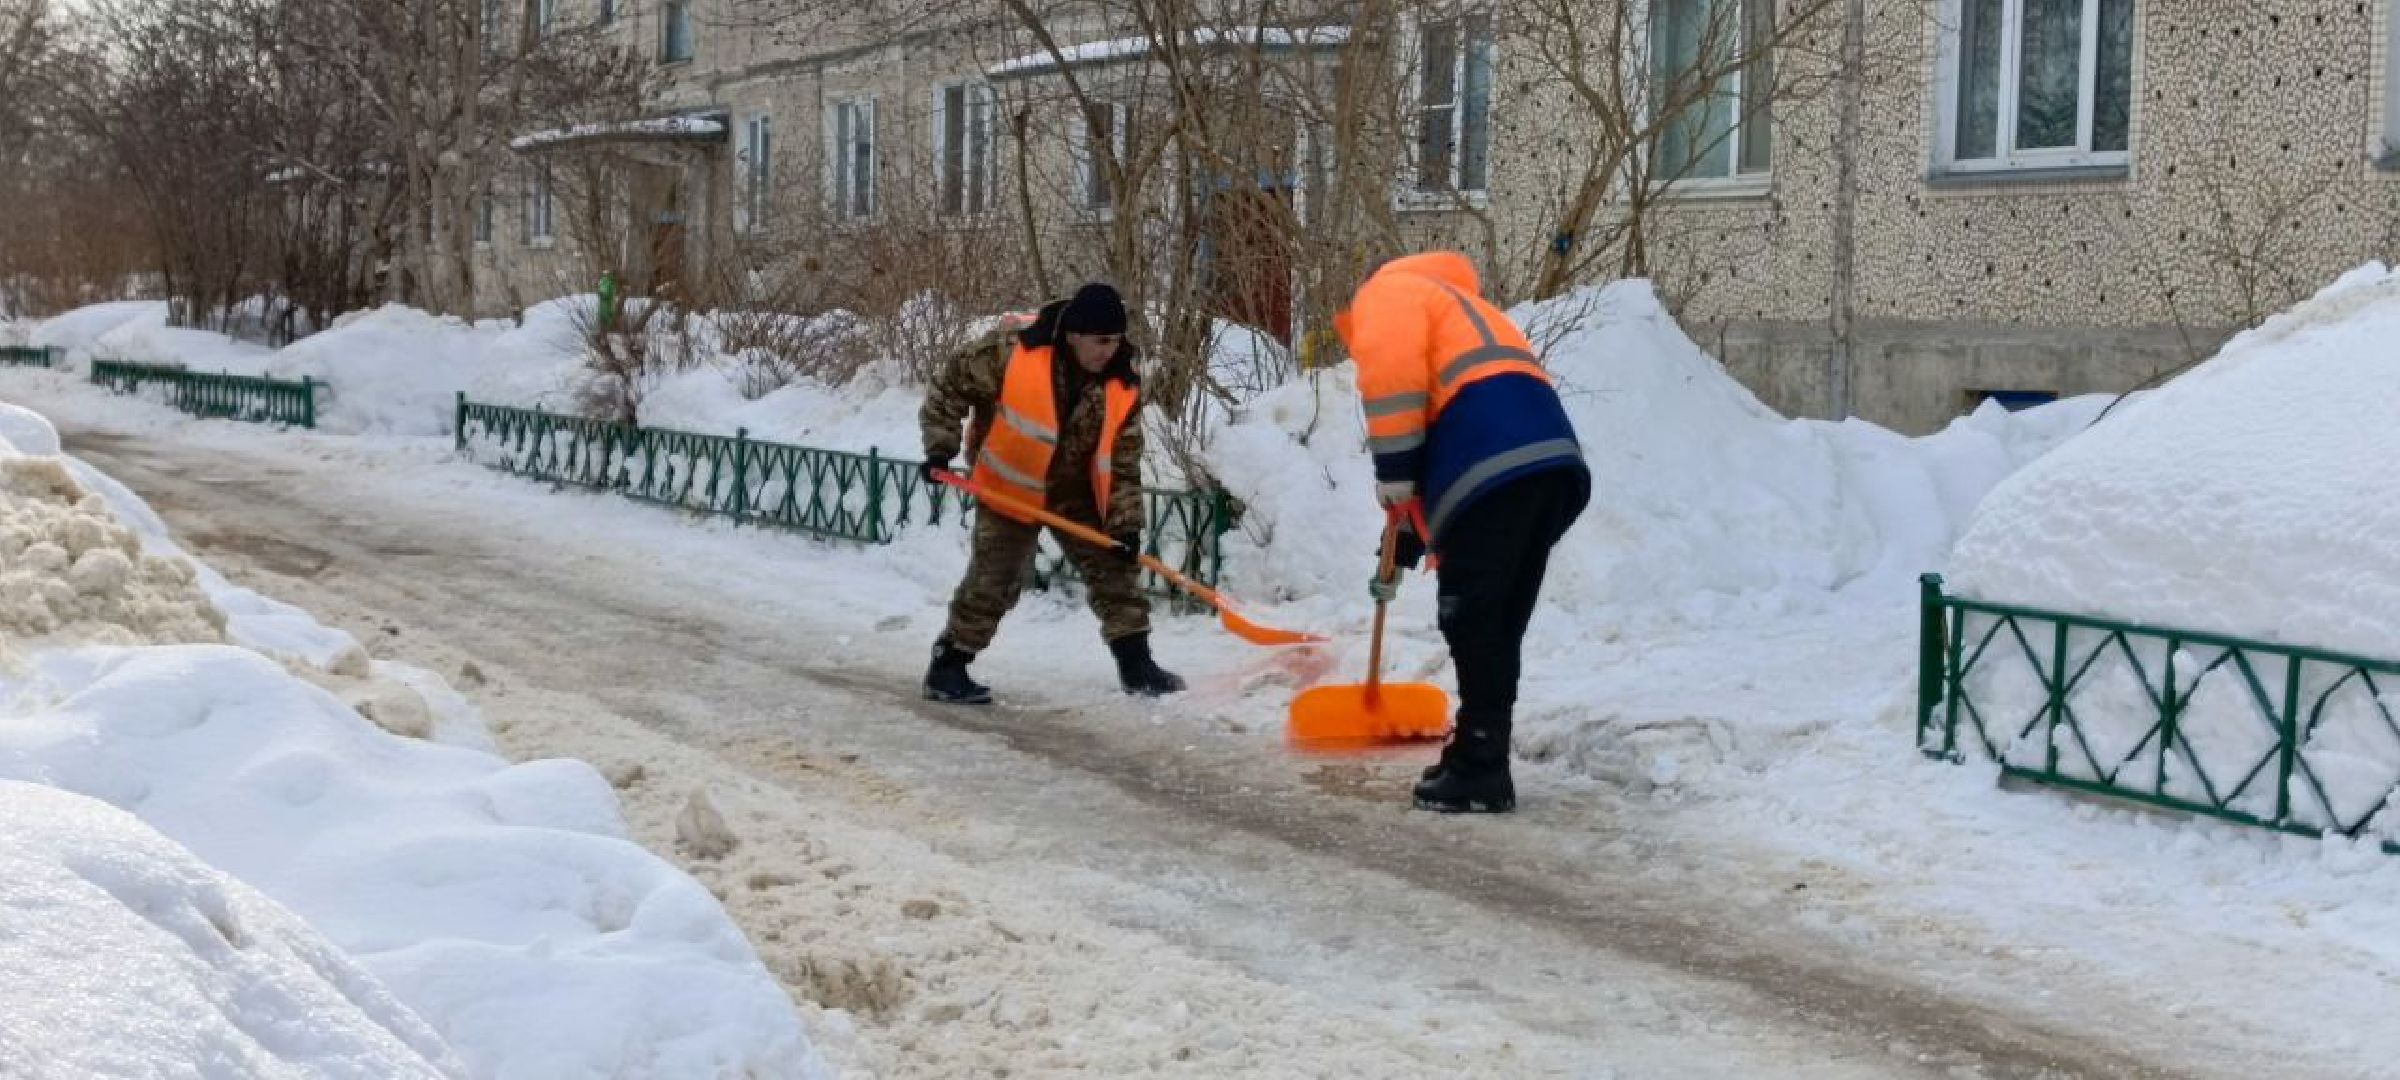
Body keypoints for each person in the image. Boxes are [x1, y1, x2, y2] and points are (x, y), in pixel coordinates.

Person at [1335, 252, 1590, 813]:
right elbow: (1446, 412)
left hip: (1493, 463)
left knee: (1472, 616)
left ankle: (1480, 767)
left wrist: (1394, 475)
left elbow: (1393, 378)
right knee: (1496, 618)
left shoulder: (1390, 290)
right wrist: (1406, 533)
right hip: (1547, 463)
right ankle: (1481, 755)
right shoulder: (1460, 305)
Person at [918, 282, 1186, 703]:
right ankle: (949, 665)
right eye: (1100, 341)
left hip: (1075, 490)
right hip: (1012, 484)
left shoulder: (1121, 383)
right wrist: (939, 447)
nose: (1109, 351)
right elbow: (949, 386)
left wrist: (1124, 523)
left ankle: (1137, 664)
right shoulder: (1010, 352)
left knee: (1115, 570)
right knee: (994, 580)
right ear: (1074, 335)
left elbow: (1122, 460)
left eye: (1116, 341)